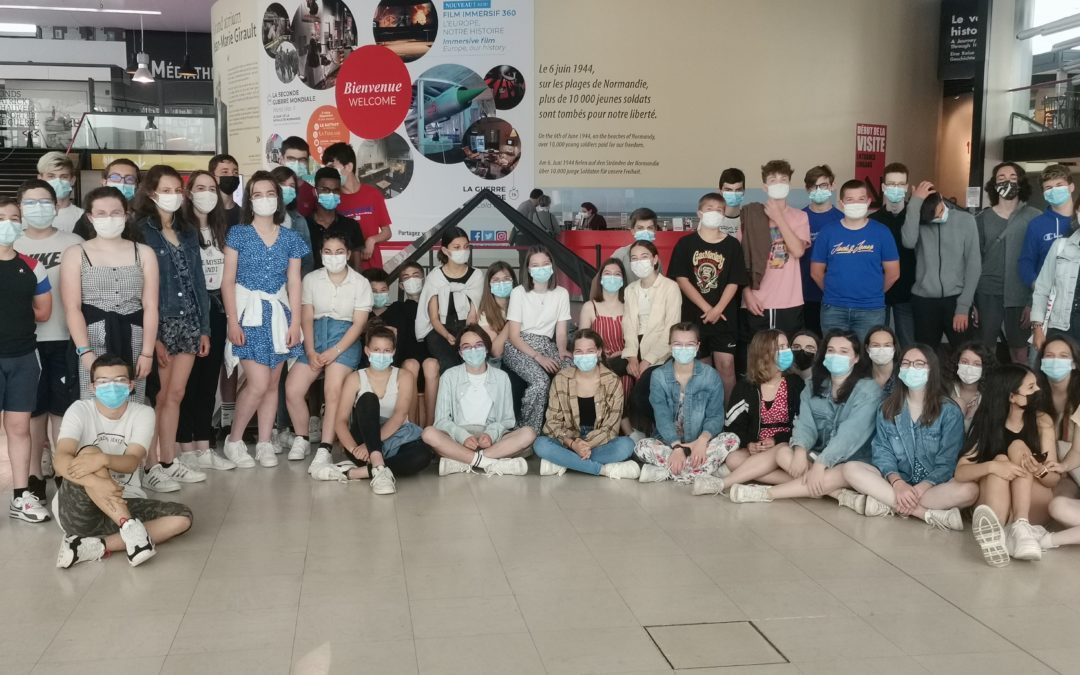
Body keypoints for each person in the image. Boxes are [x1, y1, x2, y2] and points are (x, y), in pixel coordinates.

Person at [52, 354, 192, 568]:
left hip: (124, 499)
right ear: (92, 387)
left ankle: (93, 546)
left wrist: (103, 459)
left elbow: (132, 461)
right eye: (103, 382)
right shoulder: (80, 409)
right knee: (89, 451)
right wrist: (97, 483)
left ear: (130, 385)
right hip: (80, 511)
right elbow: (60, 459)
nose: (112, 387)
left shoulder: (143, 413)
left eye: (119, 380)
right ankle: (130, 529)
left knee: (182, 517)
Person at [726, 329, 883, 504]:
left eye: (843, 351)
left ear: (856, 358)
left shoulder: (869, 390)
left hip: (853, 459)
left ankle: (766, 494)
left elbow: (849, 435)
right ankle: (836, 492)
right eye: (831, 350)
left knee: (842, 472)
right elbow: (805, 424)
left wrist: (820, 464)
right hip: (818, 454)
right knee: (784, 453)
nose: (835, 355)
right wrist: (800, 452)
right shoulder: (812, 386)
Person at [221, 171, 309, 468]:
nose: (264, 200)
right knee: (257, 383)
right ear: (249, 200)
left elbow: (295, 281)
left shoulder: (291, 237)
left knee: (273, 383)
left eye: (270, 193)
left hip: (280, 313)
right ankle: (234, 441)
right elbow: (227, 281)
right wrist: (233, 321)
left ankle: (263, 443)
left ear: (279, 198)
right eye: (257, 195)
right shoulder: (238, 234)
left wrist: (295, 322)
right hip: (248, 313)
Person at [132, 165, 211, 493]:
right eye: (167, 190)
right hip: (160, 323)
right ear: (151, 193)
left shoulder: (188, 230)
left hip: (190, 321)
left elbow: (198, 280)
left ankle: (168, 459)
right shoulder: (139, 230)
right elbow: (139, 284)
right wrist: (152, 337)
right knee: (158, 396)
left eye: (178, 190)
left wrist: (204, 326)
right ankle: (149, 466)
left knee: (176, 394)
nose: (175, 196)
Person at [839, 344, 977, 529]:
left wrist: (922, 487)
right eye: (906, 363)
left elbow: (948, 461)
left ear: (931, 370)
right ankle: (924, 514)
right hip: (898, 483)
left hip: (934, 487)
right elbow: (883, 451)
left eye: (919, 364)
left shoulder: (949, 411)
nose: (912, 368)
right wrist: (898, 483)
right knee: (850, 469)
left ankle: (889, 505)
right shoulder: (887, 408)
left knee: (970, 490)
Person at [14, 179, 83, 504]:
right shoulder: (11, 244)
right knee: (32, 412)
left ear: (56, 207)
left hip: (66, 338)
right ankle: (34, 476)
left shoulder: (74, 242)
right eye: (30, 203)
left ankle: (62, 470)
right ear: (20, 207)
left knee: (63, 410)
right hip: (26, 343)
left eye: (45, 202)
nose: (38, 208)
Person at [61, 186, 158, 403]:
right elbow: (72, 308)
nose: (109, 218)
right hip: (91, 337)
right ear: (90, 217)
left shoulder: (144, 252)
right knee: (92, 405)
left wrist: (147, 352)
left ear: (126, 214)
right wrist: (85, 352)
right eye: (101, 214)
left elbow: (151, 306)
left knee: (134, 404)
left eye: (115, 213)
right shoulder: (76, 253)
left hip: (135, 338)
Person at [956, 364, 1060, 566]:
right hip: (997, 501)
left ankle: (1018, 526)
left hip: (1033, 502)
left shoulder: (1042, 421)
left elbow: (1054, 480)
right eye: (1031, 388)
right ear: (1012, 397)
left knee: (1018, 446)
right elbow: (960, 472)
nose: (1038, 390)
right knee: (1000, 461)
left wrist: (1040, 469)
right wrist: (993, 467)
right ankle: (1007, 532)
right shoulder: (987, 422)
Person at [285, 231, 371, 464]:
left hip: (345, 340)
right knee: (293, 389)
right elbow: (306, 317)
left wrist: (336, 351)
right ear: (321, 254)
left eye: (339, 252)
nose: (334, 257)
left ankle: (324, 447)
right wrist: (311, 351)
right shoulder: (311, 279)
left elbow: (359, 323)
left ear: (349, 254)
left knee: (332, 391)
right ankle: (302, 438)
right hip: (314, 336)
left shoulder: (360, 283)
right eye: (328, 252)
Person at [310, 326, 430, 492]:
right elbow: (340, 421)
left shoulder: (404, 376)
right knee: (368, 398)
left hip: (396, 435)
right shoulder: (355, 378)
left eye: (387, 350)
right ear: (367, 351)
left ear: (394, 352)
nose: (381, 354)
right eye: (376, 350)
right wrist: (355, 448)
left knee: (423, 456)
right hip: (362, 442)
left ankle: (353, 473)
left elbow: (400, 415)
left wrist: (372, 445)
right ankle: (378, 464)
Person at [692, 329, 804, 496]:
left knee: (779, 451)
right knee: (733, 459)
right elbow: (732, 426)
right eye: (780, 347)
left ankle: (726, 483)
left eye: (786, 346)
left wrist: (777, 440)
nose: (786, 351)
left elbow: (803, 425)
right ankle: (800, 482)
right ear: (763, 353)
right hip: (757, 449)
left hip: (786, 446)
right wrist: (749, 444)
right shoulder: (746, 387)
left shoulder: (795, 384)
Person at [176, 170, 235, 471]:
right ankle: (184, 447)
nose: (207, 193)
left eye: (212, 188)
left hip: (218, 307)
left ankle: (204, 445)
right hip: (189, 310)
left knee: (209, 379)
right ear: (188, 193)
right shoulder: (180, 229)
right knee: (187, 381)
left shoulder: (222, 228)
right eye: (200, 188)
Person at [422, 326, 537, 476]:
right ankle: (489, 463)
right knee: (429, 433)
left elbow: (507, 420)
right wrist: (462, 436)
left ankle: (463, 461)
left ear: (487, 348)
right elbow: (441, 421)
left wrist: (490, 434)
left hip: (491, 439)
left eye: (478, 345)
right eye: (466, 347)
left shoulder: (501, 377)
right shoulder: (449, 376)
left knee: (528, 434)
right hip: (458, 437)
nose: (473, 350)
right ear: (460, 353)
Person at [0, 196, 52, 523]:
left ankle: (21, 497)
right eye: (0, 216)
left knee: (20, 428)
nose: (7, 223)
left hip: (23, 357)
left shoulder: (32, 265)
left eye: (13, 217)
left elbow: (44, 312)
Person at [669, 192, 750, 403]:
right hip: (695, 317)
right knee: (702, 369)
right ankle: (705, 416)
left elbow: (735, 281)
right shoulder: (685, 244)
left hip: (724, 318)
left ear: (724, 215)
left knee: (726, 366)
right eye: (709, 209)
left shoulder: (732, 245)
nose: (714, 213)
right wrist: (707, 308)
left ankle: (729, 417)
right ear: (699, 213)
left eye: (719, 210)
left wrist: (718, 309)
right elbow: (682, 279)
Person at [635, 323, 739, 483]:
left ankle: (666, 472)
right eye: (678, 344)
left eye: (689, 344)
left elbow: (716, 416)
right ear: (670, 346)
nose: (683, 349)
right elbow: (661, 416)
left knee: (731, 439)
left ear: (698, 346)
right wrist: (677, 447)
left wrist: (701, 442)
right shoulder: (658, 376)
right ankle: (705, 472)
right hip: (669, 444)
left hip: (701, 443)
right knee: (641, 446)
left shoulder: (710, 376)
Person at [534, 329, 638, 478]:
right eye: (579, 352)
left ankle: (564, 461)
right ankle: (602, 470)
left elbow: (611, 428)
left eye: (590, 351)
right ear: (573, 354)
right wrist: (573, 444)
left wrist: (585, 445)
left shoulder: (612, 380)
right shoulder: (561, 378)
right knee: (540, 444)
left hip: (599, 441)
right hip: (569, 439)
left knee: (626, 446)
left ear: (598, 352)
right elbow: (552, 423)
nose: (584, 356)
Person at [811, 179, 900, 342]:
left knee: (866, 360)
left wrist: (873, 293)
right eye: (850, 200)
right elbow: (816, 272)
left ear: (868, 202)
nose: (856, 203)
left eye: (860, 199)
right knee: (834, 357)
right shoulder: (828, 232)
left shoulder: (882, 232)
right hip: (833, 309)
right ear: (841, 203)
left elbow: (893, 273)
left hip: (871, 310)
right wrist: (834, 292)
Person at [974, 162, 1040, 364]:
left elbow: (1040, 263)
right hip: (987, 292)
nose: (1007, 181)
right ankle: (988, 393)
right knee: (986, 351)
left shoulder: (1034, 217)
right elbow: (973, 261)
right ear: (994, 185)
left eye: (1012, 177)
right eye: (1001, 178)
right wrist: (972, 302)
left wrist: (1032, 303)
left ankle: (1022, 391)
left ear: (1021, 182)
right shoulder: (982, 218)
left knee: (1020, 351)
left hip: (1021, 293)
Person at [902, 182, 980, 349]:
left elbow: (974, 265)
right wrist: (914, 203)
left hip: (956, 298)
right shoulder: (919, 220)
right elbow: (908, 242)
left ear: (941, 199)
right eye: (933, 218)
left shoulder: (966, 220)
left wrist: (963, 307)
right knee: (926, 355)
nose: (938, 219)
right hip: (924, 301)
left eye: (940, 213)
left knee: (964, 352)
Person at [502, 245, 572, 432]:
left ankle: (562, 428)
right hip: (519, 346)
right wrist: (538, 357)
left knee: (570, 372)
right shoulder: (519, 293)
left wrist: (562, 350)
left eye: (545, 264)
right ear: (529, 269)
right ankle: (527, 429)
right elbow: (514, 335)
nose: (541, 268)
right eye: (535, 265)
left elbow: (561, 332)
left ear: (552, 266)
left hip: (547, 344)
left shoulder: (561, 293)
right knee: (541, 382)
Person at [741, 159, 811, 337]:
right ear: (765, 186)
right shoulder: (750, 215)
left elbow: (797, 251)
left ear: (789, 184)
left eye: (783, 180)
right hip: (757, 300)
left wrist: (778, 218)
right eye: (773, 180)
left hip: (789, 300)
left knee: (786, 356)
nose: (778, 184)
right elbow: (741, 260)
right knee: (757, 356)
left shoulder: (800, 216)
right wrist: (747, 294)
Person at [322, 142, 391, 270]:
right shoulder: (332, 200)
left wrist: (372, 240)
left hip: (373, 268)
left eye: (332, 166)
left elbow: (387, 232)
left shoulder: (373, 194)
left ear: (348, 167)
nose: (328, 172)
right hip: (344, 270)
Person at [621, 241, 681, 380]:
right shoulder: (630, 290)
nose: (639, 262)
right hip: (635, 348)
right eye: (634, 259)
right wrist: (632, 357)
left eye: (644, 257)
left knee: (642, 390)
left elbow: (671, 328)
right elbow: (628, 325)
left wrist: (648, 360)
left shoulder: (670, 287)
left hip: (661, 350)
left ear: (654, 259)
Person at [874, 163, 917, 349]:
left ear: (907, 187)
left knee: (908, 343)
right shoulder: (873, 220)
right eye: (891, 184)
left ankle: (907, 376)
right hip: (879, 291)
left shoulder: (915, 217)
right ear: (883, 187)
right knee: (877, 342)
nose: (896, 188)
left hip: (909, 290)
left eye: (900, 184)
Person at [801, 165, 844, 336]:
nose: (819, 190)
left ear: (832, 186)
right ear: (807, 189)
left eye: (823, 185)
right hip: (804, 292)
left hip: (834, 294)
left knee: (832, 343)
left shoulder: (841, 219)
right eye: (814, 186)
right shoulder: (799, 217)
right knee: (808, 343)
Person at [578, 259, 632, 392]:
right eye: (607, 273)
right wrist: (599, 352)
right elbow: (582, 341)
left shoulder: (630, 307)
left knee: (626, 383)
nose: (612, 278)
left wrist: (624, 352)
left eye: (617, 274)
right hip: (597, 361)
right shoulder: (590, 307)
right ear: (600, 279)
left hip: (625, 360)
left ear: (622, 280)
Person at [1019, 163, 1075, 290]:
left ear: (1071, 187)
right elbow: (1026, 261)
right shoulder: (1036, 225)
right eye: (1048, 187)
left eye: (1059, 185)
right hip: (1048, 299)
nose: (1054, 190)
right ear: (1044, 193)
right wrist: (1037, 287)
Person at [1031, 213, 1080, 348]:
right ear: (1077, 211)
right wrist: (1037, 328)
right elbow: (1042, 288)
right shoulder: (1060, 246)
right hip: (1060, 328)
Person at [305, 166, 363, 270]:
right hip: (310, 285)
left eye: (335, 190)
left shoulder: (351, 225)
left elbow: (357, 268)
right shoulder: (303, 225)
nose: (331, 194)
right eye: (325, 190)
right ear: (315, 192)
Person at [1035, 334, 1080, 453]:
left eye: (1063, 356)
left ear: (1074, 363)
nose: (1055, 361)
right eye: (1049, 356)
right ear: (1041, 363)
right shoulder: (1032, 395)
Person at [270, 165, 314, 275]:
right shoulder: (259, 219)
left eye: (292, 186)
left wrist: (297, 285)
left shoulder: (299, 221)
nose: (287, 189)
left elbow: (308, 261)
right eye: (282, 184)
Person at [949, 340, 995, 432]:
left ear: (985, 368)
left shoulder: (991, 395)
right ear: (956, 363)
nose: (969, 368)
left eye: (976, 364)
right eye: (964, 362)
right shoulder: (945, 390)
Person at [477, 261, 516, 362]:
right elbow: (496, 351)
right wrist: (514, 318)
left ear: (513, 281)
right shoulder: (484, 314)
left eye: (506, 279)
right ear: (489, 285)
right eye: (496, 280)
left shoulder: (524, 304)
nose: (502, 283)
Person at [36, 151, 83, 233]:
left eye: (64, 177)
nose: (57, 181)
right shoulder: (30, 215)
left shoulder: (82, 216)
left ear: (72, 180)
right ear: (40, 179)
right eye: (51, 176)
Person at [612, 207, 661, 273]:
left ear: (655, 231)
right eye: (640, 228)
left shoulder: (656, 259)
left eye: (649, 228)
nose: (645, 231)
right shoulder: (621, 255)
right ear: (632, 231)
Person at [280, 135, 317, 217]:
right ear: (282, 159)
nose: (296, 164)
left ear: (307, 162)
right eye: (291, 159)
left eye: (302, 160)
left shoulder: (313, 193)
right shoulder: (270, 187)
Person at [209, 154, 242, 227]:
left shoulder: (243, 215)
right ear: (213, 177)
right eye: (225, 172)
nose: (231, 175)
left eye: (235, 172)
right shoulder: (207, 213)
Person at [865, 325, 899, 392]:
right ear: (867, 348)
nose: (881, 350)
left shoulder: (903, 376)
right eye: (875, 345)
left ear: (894, 348)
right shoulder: (861, 377)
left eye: (887, 345)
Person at [717, 168, 746, 238]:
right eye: (728, 190)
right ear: (720, 191)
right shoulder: (711, 218)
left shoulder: (749, 219)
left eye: (738, 190)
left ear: (744, 191)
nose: (734, 194)